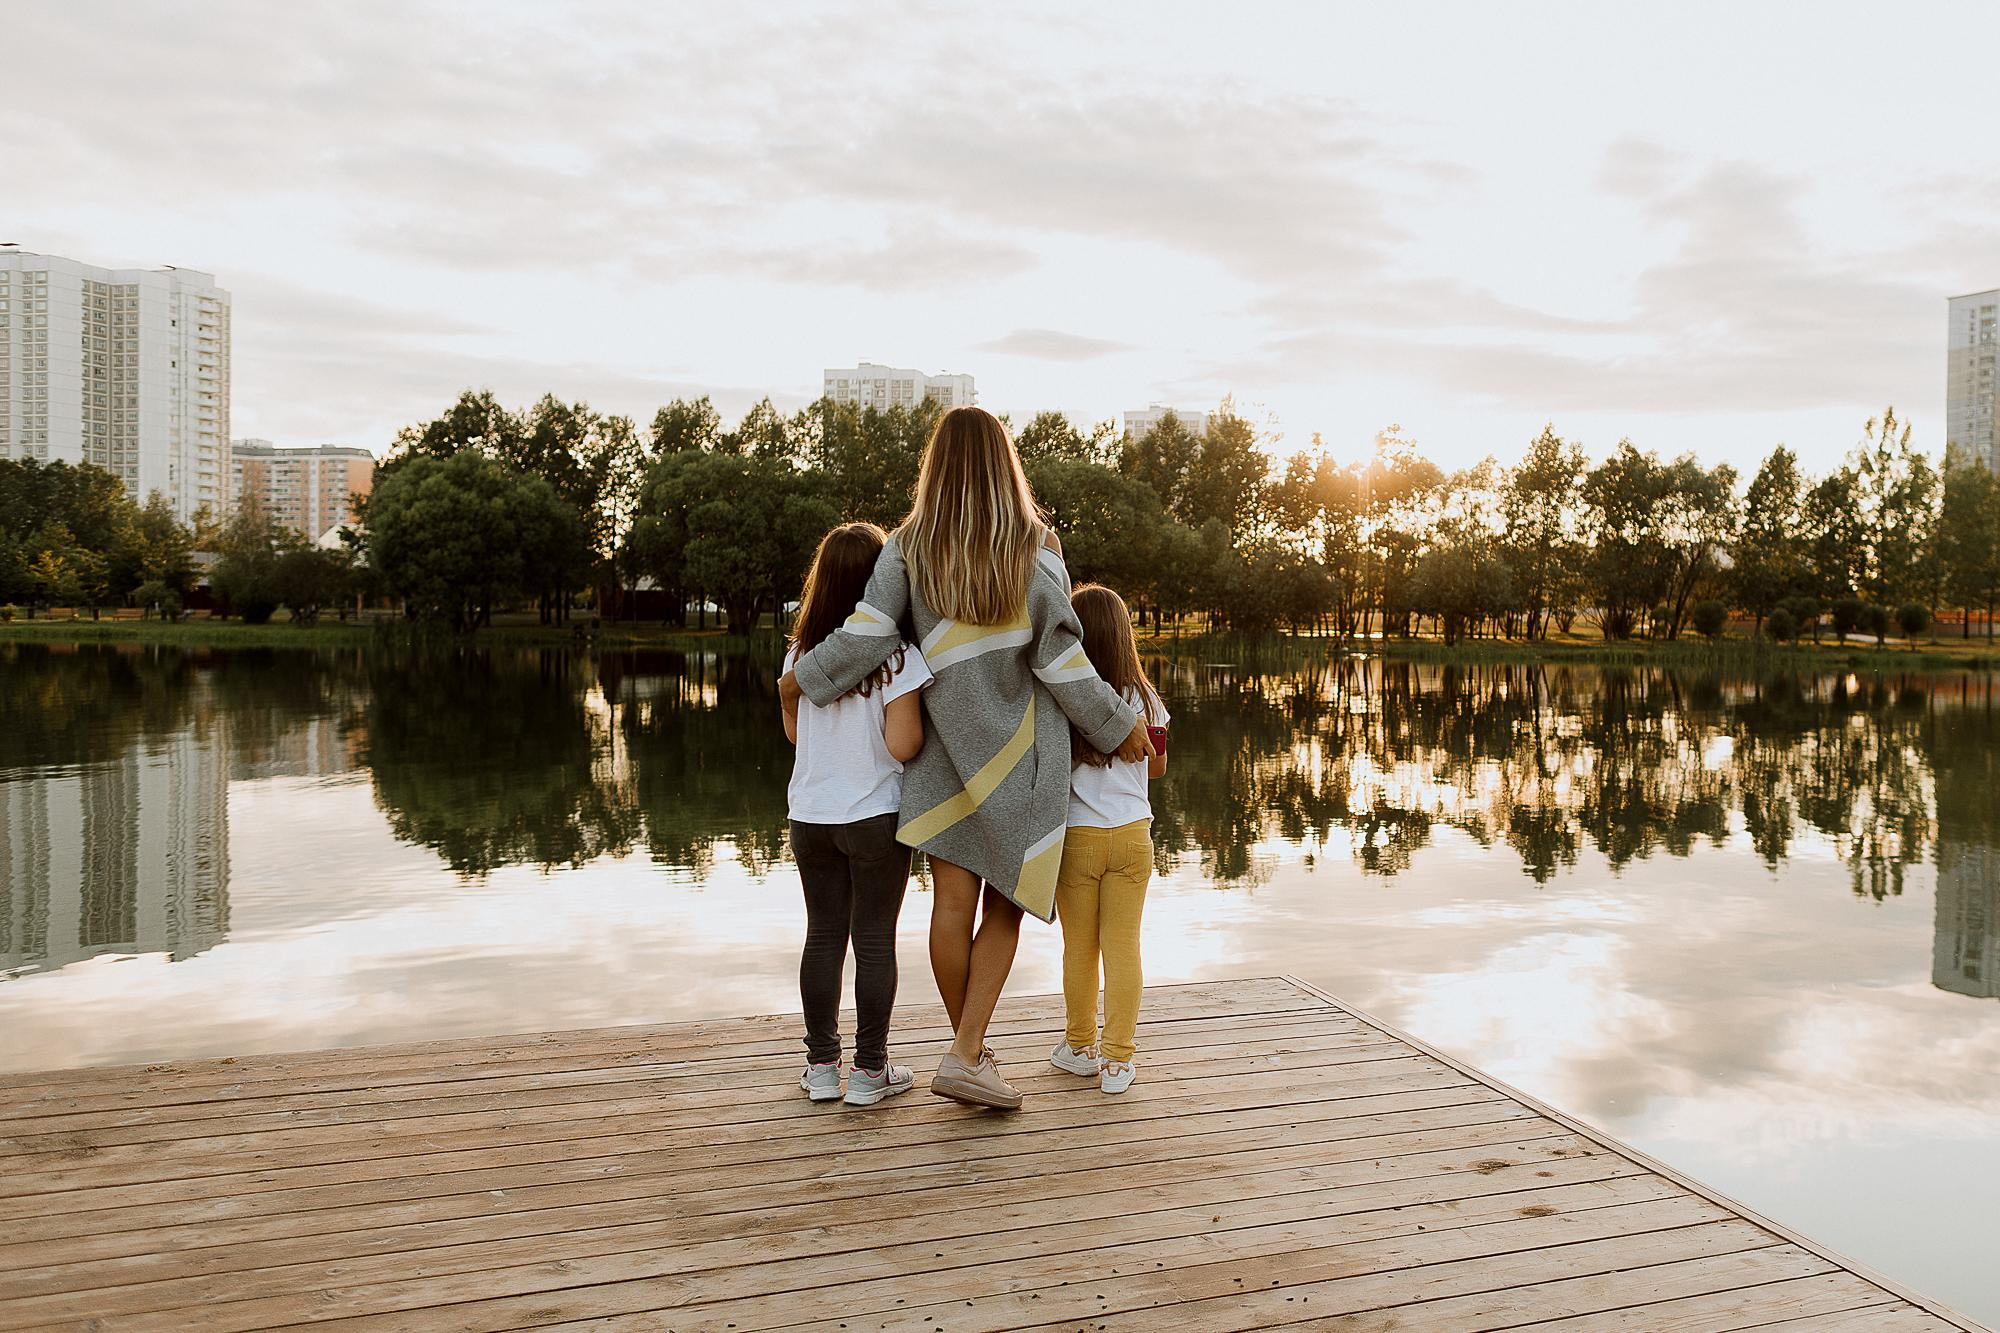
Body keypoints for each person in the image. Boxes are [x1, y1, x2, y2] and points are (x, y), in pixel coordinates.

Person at [781, 406, 1155, 1110]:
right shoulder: (1036, 544)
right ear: (1005, 464)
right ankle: (964, 1054)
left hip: (943, 758)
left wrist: (800, 677)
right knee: (1006, 908)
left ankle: (970, 1052)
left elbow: (864, 635)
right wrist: (1113, 723)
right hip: (1021, 756)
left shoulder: (908, 545)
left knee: (950, 907)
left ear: (936, 466)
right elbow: (1060, 655)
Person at [781, 522, 933, 1107]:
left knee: (822, 937)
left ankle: (820, 1067)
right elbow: (902, 746)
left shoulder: (801, 656)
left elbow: (796, 735)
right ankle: (870, 1072)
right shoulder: (897, 657)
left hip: (811, 817)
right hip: (874, 817)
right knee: (874, 940)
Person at [1048, 584, 1168, 1095]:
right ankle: (1117, 1061)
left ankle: (1079, 1048)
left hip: (1077, 837)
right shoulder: (1145, 697)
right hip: (1131, 835)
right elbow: (1157, 768)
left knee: (1080, 948)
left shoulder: (1061, 695)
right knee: (1124, 949)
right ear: (1124, 635)